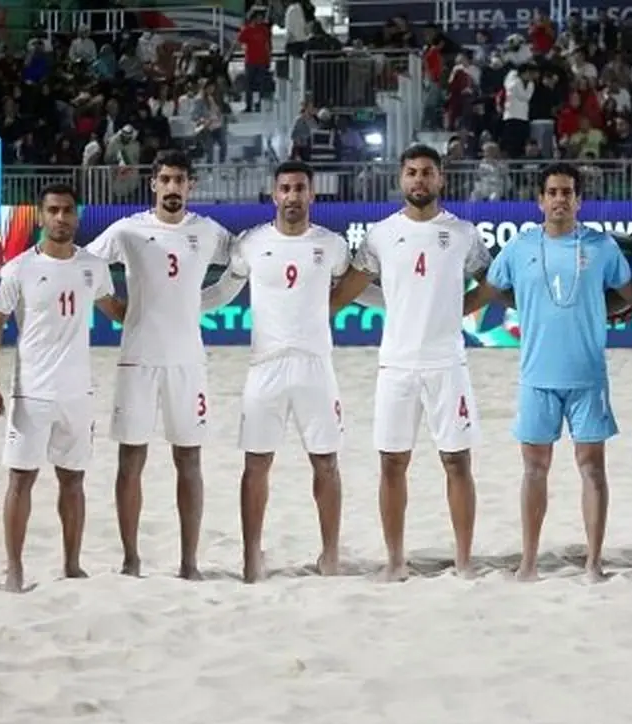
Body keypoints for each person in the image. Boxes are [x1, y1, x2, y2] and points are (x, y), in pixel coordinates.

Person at [463, 163, 632, 581]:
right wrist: (443, 313)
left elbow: (631, 295)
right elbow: (487, 292)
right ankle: (528, 561)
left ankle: (594, 562)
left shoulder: (601, 247)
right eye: (553, 192)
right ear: (540, 200)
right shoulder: (520, 248)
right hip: (536, 376)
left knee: (592, 468)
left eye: (567, 192)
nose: (560, 199)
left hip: (588, 376)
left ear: (579, 200)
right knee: (534, 469)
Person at [200, 161, 371, 583]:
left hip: (316, 365)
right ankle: (251, 557)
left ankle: (330, 554)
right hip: (266, 366)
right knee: (256, 464)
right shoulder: (251, 243)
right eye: (285, 188)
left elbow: (358, 290)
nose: (292, 196)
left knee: (326, 463)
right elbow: (223, 292)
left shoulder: (331, 245)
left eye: (299, 188)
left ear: (311, 194)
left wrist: (403, 302)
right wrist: (181, 306)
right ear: (274, 194)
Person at [84, 149, 232, 580]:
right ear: (153, 184)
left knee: (189, 460)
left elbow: (244, 264)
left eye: (179, 180)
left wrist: (207, 302)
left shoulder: (208, 231)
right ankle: (131, 560)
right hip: (138, 360)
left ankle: (189, 563)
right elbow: (86, 267)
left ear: (191, 186)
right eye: (165, 179)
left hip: (188, 362)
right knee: (131, 460)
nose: (172, 187)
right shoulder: (128, 229)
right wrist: (115, 307)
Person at [349, 144, 491, 580]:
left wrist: (458, 309)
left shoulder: (463, 233)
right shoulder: (380, 234)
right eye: (411, 172)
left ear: (440, 178)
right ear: (401, 178)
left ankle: (464, 561)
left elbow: (491, 283)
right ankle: (395, 561)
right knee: (392, 463)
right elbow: (353, 287)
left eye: (427, 172)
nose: (419, 179)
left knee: (457, 462)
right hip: (396, 365)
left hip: (447, 363)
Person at [0, 184, 126, 592]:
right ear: (41, 216)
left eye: (68, 210)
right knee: (20, 480)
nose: (61, 218)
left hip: (78, 394)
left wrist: (162, 307)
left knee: (73, 481)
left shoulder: (92, 266)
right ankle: (14, 570)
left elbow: (116, 310)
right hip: (32, 393)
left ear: (77, 216)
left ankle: (72, 565)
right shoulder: (18, 269)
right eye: (54, 210)